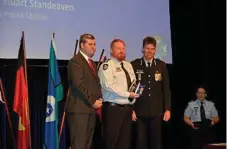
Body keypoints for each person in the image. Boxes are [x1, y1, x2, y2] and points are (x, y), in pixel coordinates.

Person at [131, 36, 171, 149]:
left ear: (155, 50)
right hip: (139, 112)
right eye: (147, 48)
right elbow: (130, 89)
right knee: (140, 143)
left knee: (156, 143)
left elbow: (166, 89)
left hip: (156, 112)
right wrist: (131, 109)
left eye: (152, 49)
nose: (150, 51)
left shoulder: (161, 65)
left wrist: (167, 109)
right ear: (142, 49)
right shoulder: (134, 65)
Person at [98, 39, 139, 149]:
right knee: (111, 142)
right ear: (111, 50)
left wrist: (133, 100)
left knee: (124, 143)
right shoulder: (107, 66)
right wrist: (127, 94)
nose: (121, 51)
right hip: (113, 110)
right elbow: (109, 85)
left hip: (127, 109)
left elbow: (133, 83)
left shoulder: (128, 65)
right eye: (118, 48)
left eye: (123, 48)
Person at [66, 33, 103, 149]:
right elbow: (79, 84)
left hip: (90, 110)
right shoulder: (75, 61)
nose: (94, 47)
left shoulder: (91, 63)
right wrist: (93, 101)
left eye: (95, 44)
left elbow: (94, 84)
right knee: (79, 145)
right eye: (90, 44)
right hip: (79, 111)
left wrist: (99, 98)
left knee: (87, 145)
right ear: (82, 45)